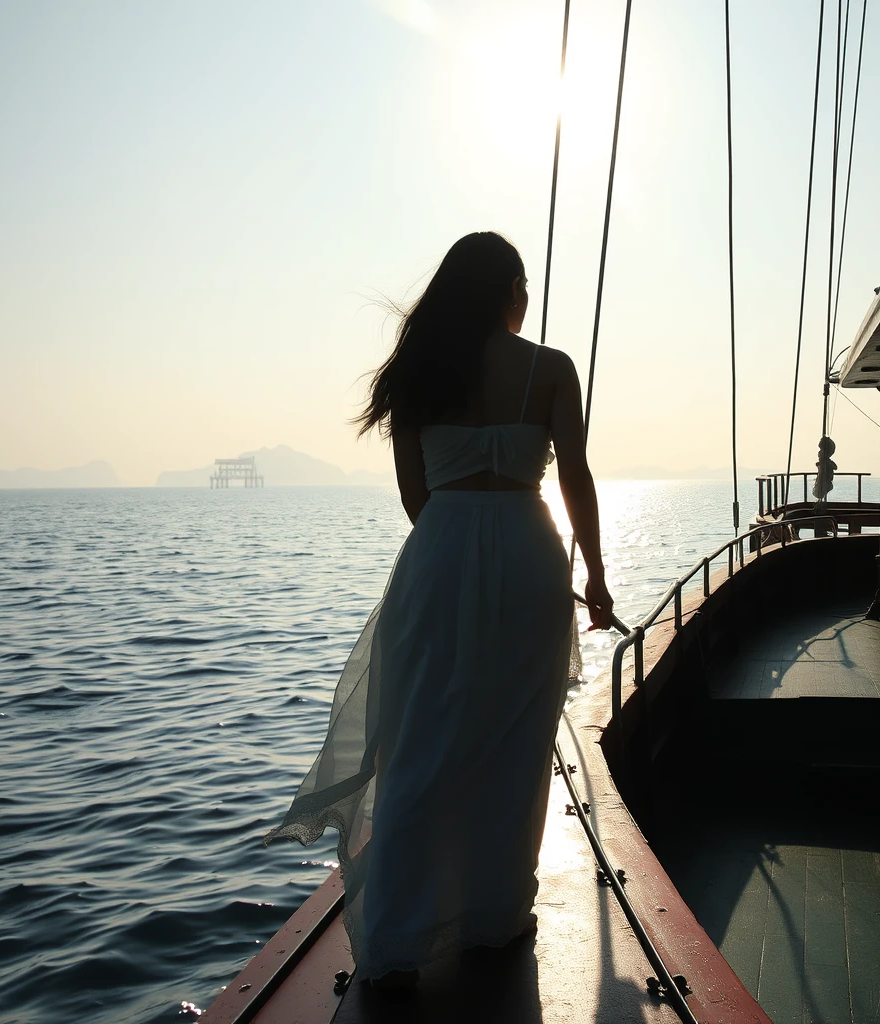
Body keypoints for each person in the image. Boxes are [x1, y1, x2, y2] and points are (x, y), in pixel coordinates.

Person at [264, 231, 613, 990]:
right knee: (515, 738)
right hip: (531, 550)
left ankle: (395, 938)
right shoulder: (550, 369)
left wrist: (458, 539)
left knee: (420, 738)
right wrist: (596, 576)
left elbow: (414, 497)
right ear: (509, 292)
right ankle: (493, 918)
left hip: (441, 547)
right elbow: (577, 478)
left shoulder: (418, 373)